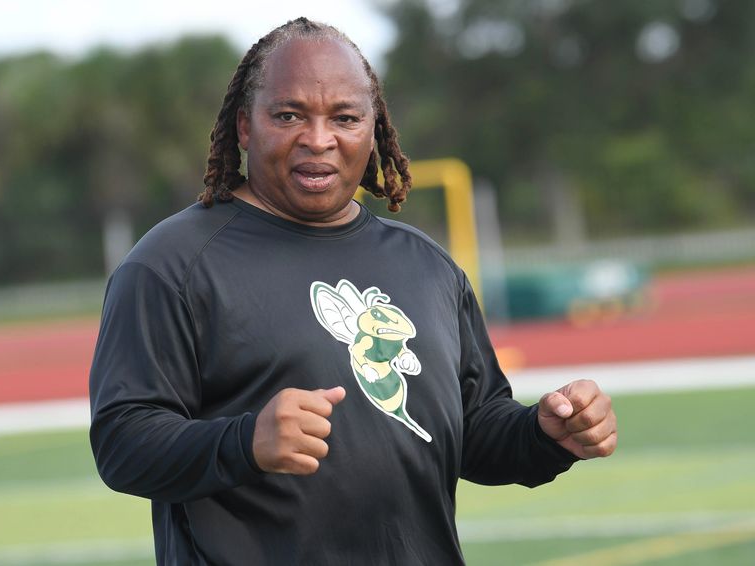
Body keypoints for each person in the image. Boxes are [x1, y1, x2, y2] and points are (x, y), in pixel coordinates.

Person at [89, 17, 617, 566]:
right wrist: (245, 443)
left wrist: (546, 434)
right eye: (289, 115)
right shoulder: (169, 265)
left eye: (344, 117)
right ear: (245, 127)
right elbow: (122, 444)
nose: (319, 139)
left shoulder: (428, 266)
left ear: (373, 128)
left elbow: (476, 430)